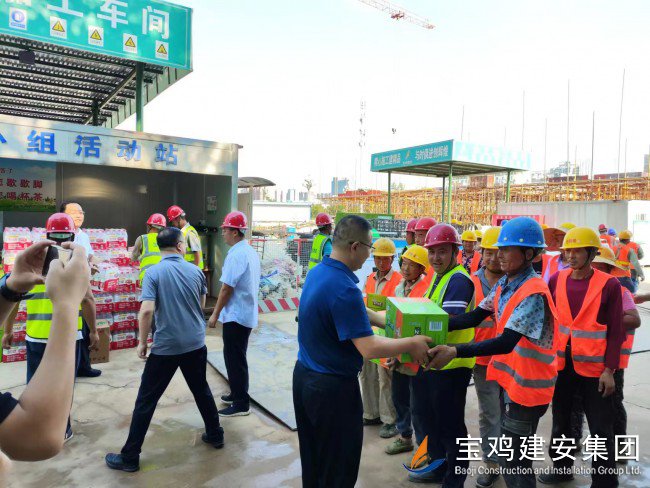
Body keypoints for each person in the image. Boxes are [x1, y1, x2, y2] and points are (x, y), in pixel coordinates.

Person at [293, 215, 432, 488]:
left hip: (305, 378)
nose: (371, 255)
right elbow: (369, 348)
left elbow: (352, 310)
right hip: (332, 390)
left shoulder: (320, 273)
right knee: (339, 466)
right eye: (369, 248)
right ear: (355, 247)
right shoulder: (344, 287)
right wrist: (412, 343)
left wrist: (385, 320)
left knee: (315, 458)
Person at [428, 217, 559, 488]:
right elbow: (474, 316)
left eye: (507, 249)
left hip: (528, 391)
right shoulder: (506, 284)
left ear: (529, 254)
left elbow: (506, 342)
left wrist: (454, 350)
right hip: (511, 384)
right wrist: (427, 326)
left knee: (515, 462)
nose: (499, 255)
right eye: (498, 249)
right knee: (510, 455)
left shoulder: (533, 292)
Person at [105, 227, 223, 472]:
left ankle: (130, 457)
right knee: (201, 389)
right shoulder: (196, 271)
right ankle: (215, 434)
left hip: (166, 347)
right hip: (195, 342)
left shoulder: (153, 272)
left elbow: (147, 310)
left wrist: (142, 342)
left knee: (146, 400)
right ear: (180, 246)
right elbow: (200, 304)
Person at [538, 227, 624, 487]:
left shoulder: (609, 284)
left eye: (577, 251)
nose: (571, 256)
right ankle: (562, 469)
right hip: (562, 366)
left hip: (596, 370)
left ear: (592, 253)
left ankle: (605, 481)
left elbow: (617, 330)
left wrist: (610, 370)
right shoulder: (557, 279)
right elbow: (548, 319)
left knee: (600, 428)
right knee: (561, 421)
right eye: (568, 251)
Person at [4, 213, 98, 442]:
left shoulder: (31, 263)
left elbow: (14, 297)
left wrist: (8, 330)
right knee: (63, 386)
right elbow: (88, 300)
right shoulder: (75, 266)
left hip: (35, 336)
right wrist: (94, 331)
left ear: (47, 234)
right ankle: (62, 428)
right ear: (72, 236)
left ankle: (34, 424)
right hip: (68, 339)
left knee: (35, 383)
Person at [407, 223, 475, 486]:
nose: (436, 258)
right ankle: (438, 468)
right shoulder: (439, 277)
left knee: (451, 427)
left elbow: (447, 322)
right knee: (431, 421)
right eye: (432, 252)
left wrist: (408, 339)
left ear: (455, 252)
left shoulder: (458, 280)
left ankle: (455, 480)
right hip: (434, 363)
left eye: (442, 252)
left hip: (452, 366)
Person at [369, 245, 431, 455]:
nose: (406, 268)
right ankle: (405, 437)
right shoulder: (399, 287)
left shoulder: (426, 289)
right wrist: (395, 353)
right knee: (399, 398)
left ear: (421, 269)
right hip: (400, 352)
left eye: (412, 265)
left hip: (417, 355)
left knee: (419, 404)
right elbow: (394, 322)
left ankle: (424, 447)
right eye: (404, 263)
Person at [207, 211, 260, 417]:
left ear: (236, 232)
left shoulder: (237, 254)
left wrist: (214, 314)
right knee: (235, 357)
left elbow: (226, 289)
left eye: (226, 230)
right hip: (243, 313)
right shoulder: (248, 251)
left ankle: (241, 403)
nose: (223, 233)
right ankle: (237, 393)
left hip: (237, 316)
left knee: (235, 359)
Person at [468, 226, 504, 488]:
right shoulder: (470, 282)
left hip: (512, 358)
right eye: (488, 252)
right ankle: (492, 464)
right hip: (483, 359)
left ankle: (512, 460)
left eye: (498, 252)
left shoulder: (516, 282)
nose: (492, 258)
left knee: (513, 415)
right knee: (490, 413)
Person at [360, 237, 401, 436]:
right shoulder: (370, 278)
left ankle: (389, 420)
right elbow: (363, 302)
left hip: (386, 337)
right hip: (369, 334)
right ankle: (371, 413)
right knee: (367, 374)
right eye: (378, 258)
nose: (381, 262)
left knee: (385, 378)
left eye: (385, 258)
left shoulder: (398, 281)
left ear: (392, 259)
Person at [61, 201, 101, 378]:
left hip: (82, 283)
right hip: (69, 288)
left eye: (81, 212)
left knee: (83, 327)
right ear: (63, 215)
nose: (79, 215)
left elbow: (90, 255)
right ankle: (71, 370)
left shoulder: (83, 235)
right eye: (74, 212)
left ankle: (83, 365)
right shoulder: (60, 236)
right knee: (72, 330)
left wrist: (93, 263)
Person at [131, 213, 166, 284]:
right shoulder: (167, 240)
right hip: (164, 278)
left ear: (150, 226)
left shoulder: (142, 238)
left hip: (147, 278)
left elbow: (133, 258)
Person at [413, 217, 437, 287]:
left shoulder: (438, 259)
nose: (417, 240)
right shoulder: (413, 255)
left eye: (421, 235)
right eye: (415, 236)